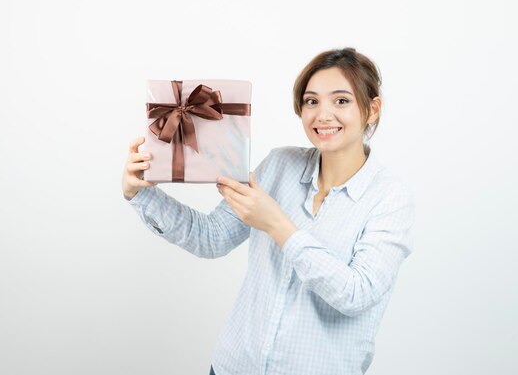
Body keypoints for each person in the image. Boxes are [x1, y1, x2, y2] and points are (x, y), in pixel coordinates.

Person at [122, 47, 415, 375]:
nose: (323, 115)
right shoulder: (279, 165)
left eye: (341, 101)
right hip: (232, 367)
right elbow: (212, 237)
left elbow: (356, 294)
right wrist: (142, 193)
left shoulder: (390, 199)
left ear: (372, 109)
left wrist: (276, 224)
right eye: (311, 101)